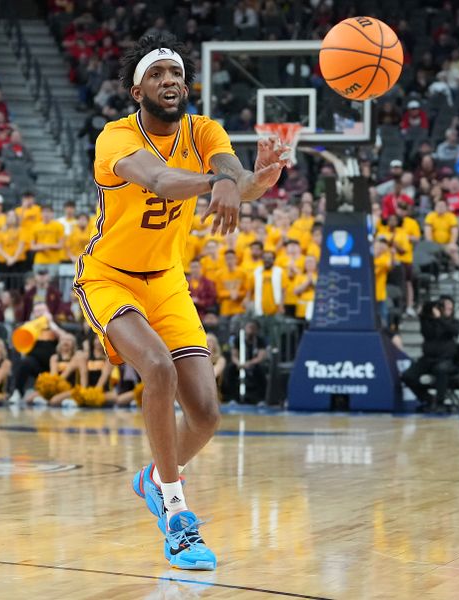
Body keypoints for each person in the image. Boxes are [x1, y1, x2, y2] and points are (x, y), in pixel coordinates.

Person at [72, 32, 287, 570]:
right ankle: (177, 516)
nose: (171, 80)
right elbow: (162, 180)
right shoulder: (114, 138)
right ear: (136, 90)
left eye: (176, 73)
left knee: (208, 415)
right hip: (109, 276)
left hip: (166, 279)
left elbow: (230, 171)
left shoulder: (203, 129)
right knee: (157, 368)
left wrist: (252, 180)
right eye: (158, 74)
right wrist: (225, 182)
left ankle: (152, 476)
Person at [401, 296, 459, 412]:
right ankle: (428, 399)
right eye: (445, 306)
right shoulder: (429, 322)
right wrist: (424, 314)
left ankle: (440, 403)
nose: (448, 308)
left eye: (450, 307)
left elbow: (454, 331)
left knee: (441, 370)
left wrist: (440, 318)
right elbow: (425, 331)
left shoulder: (454, 322)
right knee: (407, 376)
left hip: (445, 359)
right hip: (427, 359)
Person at [423, 198, 459, 280]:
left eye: (443, 206)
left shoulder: (451, 216)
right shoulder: (430, 216)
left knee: (453, 249)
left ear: (446, 207)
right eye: (438, 206)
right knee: (431, 251)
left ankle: (458, 271)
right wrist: (431, 244)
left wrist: (452, 243)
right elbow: (428, 231)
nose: (440, 208)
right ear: (435, 207)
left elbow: (454, 231)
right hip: (434, 243)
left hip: (447, 243)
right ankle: (434, 273)